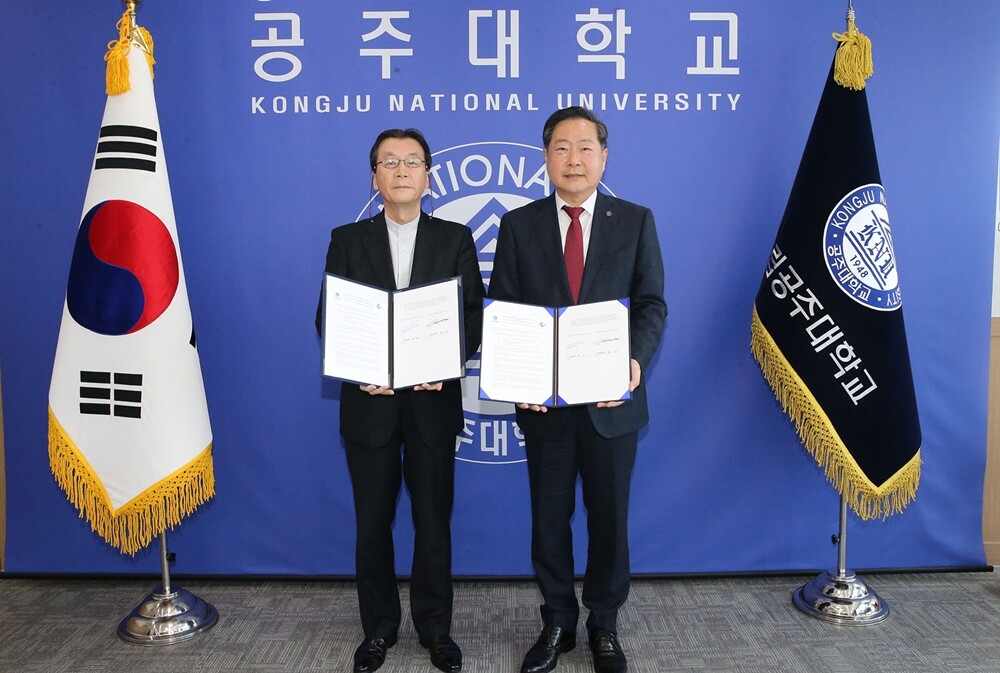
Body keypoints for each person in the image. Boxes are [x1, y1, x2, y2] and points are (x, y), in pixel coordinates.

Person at [488, 107, 666, 673]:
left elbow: (651, 304)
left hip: (612, 405)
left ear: (603, 157)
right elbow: (505, 310)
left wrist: (633, 360)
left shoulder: (634, 220)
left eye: (585, 147)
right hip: (546, 408)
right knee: (549, 520)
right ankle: (558, 622)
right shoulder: (519, 225)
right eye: (561, 148)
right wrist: (518, 376)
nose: (574, 159)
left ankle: (604, 625)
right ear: (546, 158)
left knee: (609, 520)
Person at [317, 128, 484, 673]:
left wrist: (446, 361)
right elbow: (330, 316)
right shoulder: (347, 239)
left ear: (428, 177)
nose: (402, 170)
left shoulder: (455, 238)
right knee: (372, 523)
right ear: (375, 178)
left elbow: (473, 315)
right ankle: (378, 630)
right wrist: (359, 368)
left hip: (433, 404)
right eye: (389, 162)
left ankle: (436, 629)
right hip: (370, 406)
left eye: (412, 161)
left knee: (433, 522)